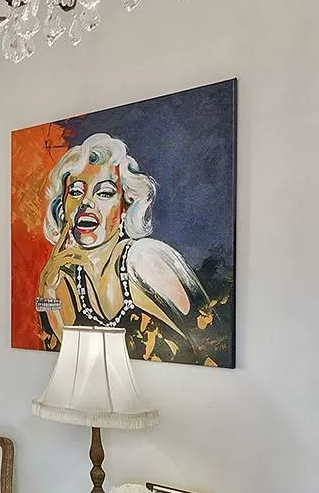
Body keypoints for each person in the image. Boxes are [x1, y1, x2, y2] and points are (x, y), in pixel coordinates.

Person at [36, 132, 216, 363]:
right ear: (63, 209)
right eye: (76, 192)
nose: (86, 203)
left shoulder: (144, 259)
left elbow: (212, 342)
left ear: (125, 207)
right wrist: (47, 287)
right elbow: (67, 360)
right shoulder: (64, 281)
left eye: (104, 193)